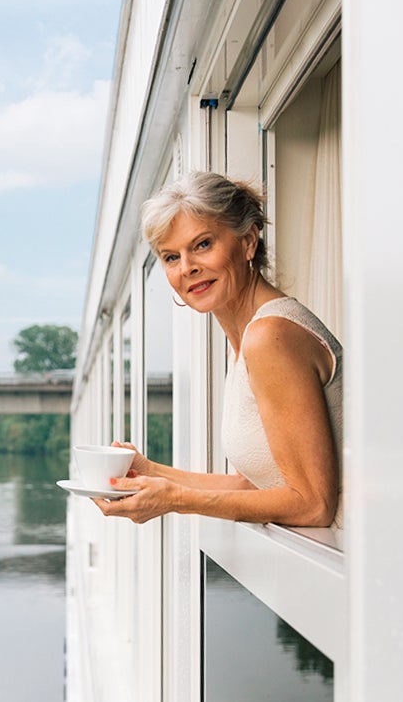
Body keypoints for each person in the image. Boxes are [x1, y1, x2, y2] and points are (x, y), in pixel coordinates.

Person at [94, 171, 343, 528]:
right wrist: (148, 471)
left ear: (248, 242)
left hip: (361, 564)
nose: (187, 268)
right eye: (170, 257)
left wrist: (177, 500)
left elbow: (312, 504)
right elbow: (255, 486)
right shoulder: (247, 339)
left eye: (202, 244)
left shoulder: (270, 336)